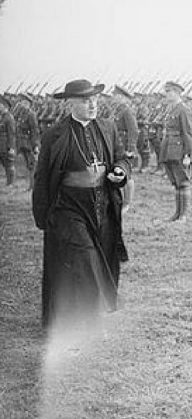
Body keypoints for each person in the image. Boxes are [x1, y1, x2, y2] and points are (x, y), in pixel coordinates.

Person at [32, 79, 132, 328]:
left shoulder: (107, 128)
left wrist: (120, 171)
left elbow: (120, 158)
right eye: (85, 100)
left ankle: (99, 309)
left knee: (104, 256)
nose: (92, 104)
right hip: (69, 206)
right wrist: (42, 214)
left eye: (94, 99)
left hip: (102, 204)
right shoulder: (55, 134)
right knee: (83, 256)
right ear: (71, 103)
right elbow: (42, 176)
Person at [159, 81, 192, 222]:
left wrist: (188, 154)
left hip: (179, 150)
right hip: (169, 148)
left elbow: (188, 133)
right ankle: (177, 213)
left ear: (176, 92)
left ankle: (184, 215)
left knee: (183, 182)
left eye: (169, 92)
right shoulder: (171, 108)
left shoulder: (183, 109)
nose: (166, 94)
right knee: (176, 182)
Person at [112, 85, 139, 213]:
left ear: (123, 97)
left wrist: (131, 148)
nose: (114, 97)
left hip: (125, 145)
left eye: (116, 95)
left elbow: (133, 130)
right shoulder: (119, 110)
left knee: (127, 175)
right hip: (117, 145)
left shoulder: (127, 111)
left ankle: (127, 203)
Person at [15, 94, 41, 191]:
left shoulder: (31, 114)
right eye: (22, 102)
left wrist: (35, 145)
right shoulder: (22, 113)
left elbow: (35, 131)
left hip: (29, 143)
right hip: (22, 142)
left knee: (32, 165)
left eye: (25, 102)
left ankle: (33, 186)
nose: (23, 104)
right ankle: (31, 186)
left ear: (29, 104)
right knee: (29, 165)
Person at [0, 95, 17, 187]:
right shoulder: (2, 116)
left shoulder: (9, 118)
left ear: (5, 106)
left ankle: (11, 183)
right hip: (1, 145)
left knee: (9, 164)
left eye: (0, 105)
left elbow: (11, 134)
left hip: (6, 145)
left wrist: (11, 147)